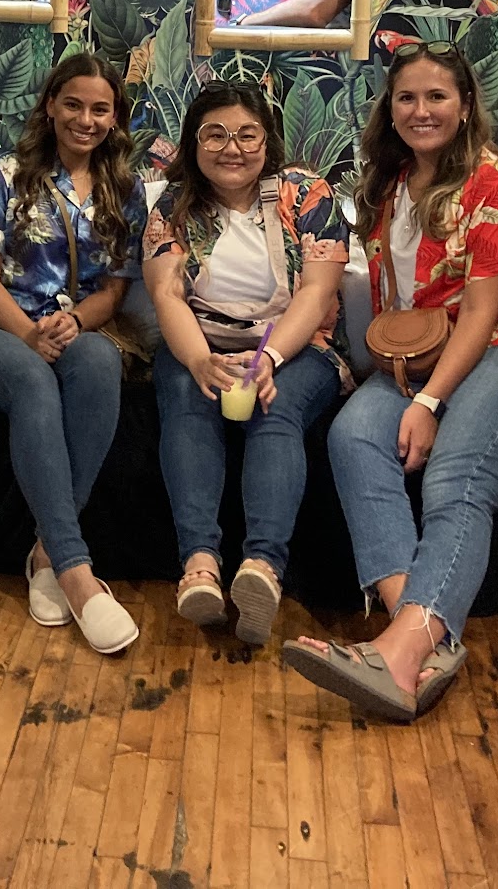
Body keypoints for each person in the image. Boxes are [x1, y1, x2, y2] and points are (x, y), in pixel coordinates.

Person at [282, 42, 498, 721]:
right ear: (390, 109)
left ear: (465, 107)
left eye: (437, 96)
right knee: (352, 437)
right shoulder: (389, 185)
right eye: (406, 97)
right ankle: (420, 641)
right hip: (419, 357)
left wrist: (430, 403)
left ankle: (399, 650)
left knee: (456, 481)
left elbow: (484, 315)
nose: (421, 110)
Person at [0, 53, 148, 654]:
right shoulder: (4, 174)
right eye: (73, 105)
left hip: (73, 328)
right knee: (34, 383)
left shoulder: (125, 190)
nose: (85, 120)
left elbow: (115, 289)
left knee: (99, 362)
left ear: (115, 118)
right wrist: (29, 334)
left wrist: (75, 321)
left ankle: (44, 551)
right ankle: (75, 571)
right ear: (50, 105)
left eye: (100, 109)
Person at [143, 81, 346, 646]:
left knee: (275, 413)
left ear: (267, 140)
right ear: (194, 142)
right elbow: (166, 293)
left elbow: (318, 291)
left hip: (296, 347)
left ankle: (262, 568)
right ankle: (200, 564)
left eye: (247, 134)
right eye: (215, 134)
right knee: (187, 402)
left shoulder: (307, 194)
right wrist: (200, 361)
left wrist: (270, 359)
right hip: (201, 341)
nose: (231, 148)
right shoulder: (173, 205)